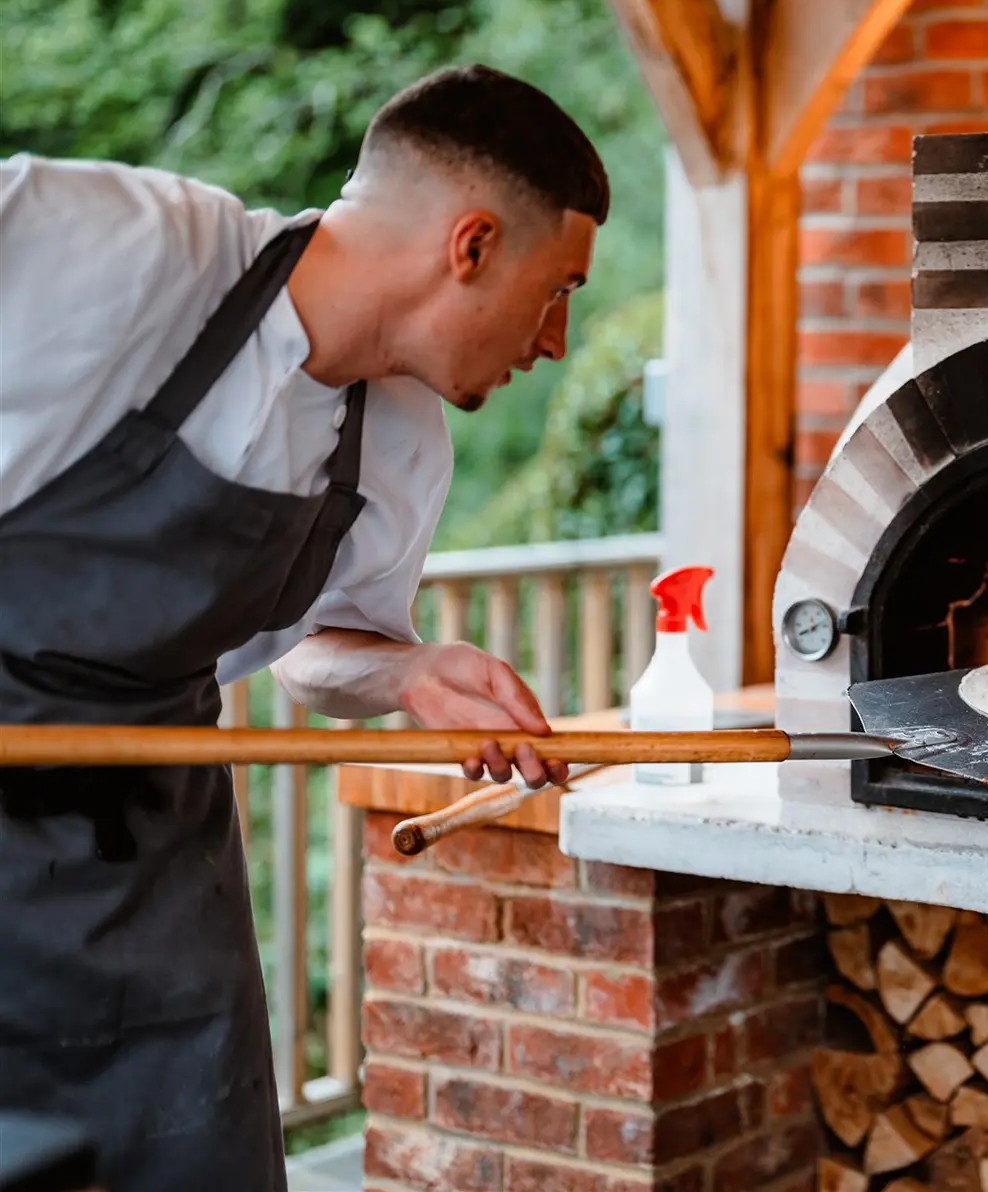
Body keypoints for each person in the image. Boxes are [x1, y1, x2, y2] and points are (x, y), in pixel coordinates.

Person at [0, 64, 605, 1190]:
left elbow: (317, 650)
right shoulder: (123, 251)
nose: (557, 339)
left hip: (158, 873)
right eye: (558, 288)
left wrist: (410, 669)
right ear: (470, 245)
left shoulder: (403, 439)